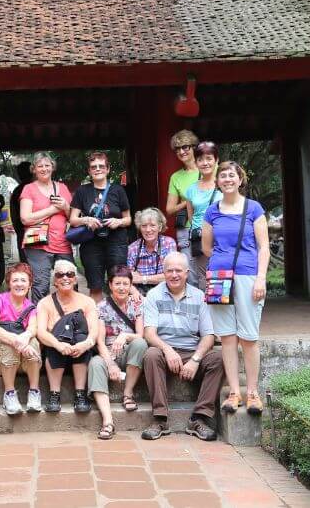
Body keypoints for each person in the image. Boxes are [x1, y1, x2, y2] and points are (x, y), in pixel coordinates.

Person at [203, 160, 270, 417]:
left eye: (232, 175)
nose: (227, 180)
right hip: (219, 275)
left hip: (248, 275)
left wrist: (261, 277)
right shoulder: (212, 211)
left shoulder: (253, 208)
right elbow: (207, 247)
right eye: (223, 176)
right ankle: (234, 391)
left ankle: (252, 392)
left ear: (240, 180)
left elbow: (264, 246)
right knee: (227, 337)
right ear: (217, 181)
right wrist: (223, 259)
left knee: (249, 337)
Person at [141, 252, 224, 442]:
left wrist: (195, 359)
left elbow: (208, 336)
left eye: (178, 270)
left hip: (191, 352)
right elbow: (149, 334)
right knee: (151, 355)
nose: (174, 275)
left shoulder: (199, 297)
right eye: (169, 270)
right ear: (163, 272)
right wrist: (167, 350)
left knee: (219, 359)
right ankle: (160, 419)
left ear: (187, 273)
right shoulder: (154, 295)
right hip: (164, 351)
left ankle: (199, 419)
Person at [89, 266, 147, 440]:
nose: (122, 287)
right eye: (117, 283)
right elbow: (99, 341)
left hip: (129, 351)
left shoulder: (137, 304)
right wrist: (110, 363)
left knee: (140, 343)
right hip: (108, 353)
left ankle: (128, 394)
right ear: (110, 285)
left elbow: (140, 334)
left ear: (131, 285)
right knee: (94, 364)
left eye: (125, 283)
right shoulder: (101, 306)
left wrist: (124, 335)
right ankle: (108, 421)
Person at [35, 260, 99, 413]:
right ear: (54, 281)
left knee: (81, 336)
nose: (65, 278)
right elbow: (41, 332)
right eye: (60, 275)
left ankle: (80, 394)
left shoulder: (88, 301)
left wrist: (85, 344)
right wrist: (58, 344)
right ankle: (54, 394)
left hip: (81, 352)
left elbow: (94, 330)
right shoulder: (45, 303)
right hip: (56, 353)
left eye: (69, 274)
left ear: (75, 279)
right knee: (54, 337)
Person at [68, 152, 131, 301]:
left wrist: (118, 222)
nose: (97, 169)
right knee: (95, 285)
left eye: (101, 166)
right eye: (93, 167)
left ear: (108, 169)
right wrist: (87, 220)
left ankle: (117, 320)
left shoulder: (118, 190)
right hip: (91, 244)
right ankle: (96, 321)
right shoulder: (82, 191)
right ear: (89, 171)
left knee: (118, 282)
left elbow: (128, 219)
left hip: (116, 242)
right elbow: (73, 220)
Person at [0, 263, 43, 415]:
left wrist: (25, 338)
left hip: (25, 361)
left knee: (34, 340)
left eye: (23, 280)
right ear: (9, 283)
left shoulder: (31, 307)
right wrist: (18, 342)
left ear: (29, 285)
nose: (19, 284)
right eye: (15, 280)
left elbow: (32, 329)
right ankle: (9, 394)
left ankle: (34, 392)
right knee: (8, 342)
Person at [19, 152, 74, 302]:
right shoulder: (29, 189)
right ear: (34, 169)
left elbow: (73, 218)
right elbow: (25, 218)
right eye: (40, 166)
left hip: (62, 242)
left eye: (47, 165)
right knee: (41, 284)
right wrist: (53, 209)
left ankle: (70, 319)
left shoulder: (62, 187)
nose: (44, 169)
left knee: (69, 281)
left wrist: (65, 207)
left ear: (52, 167)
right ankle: (39, 320)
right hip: (37, 244)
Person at [165, 130, 200, 285]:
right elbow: (170, 209)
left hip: (211, 226)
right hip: (187, 230)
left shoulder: (210, 168)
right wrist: (189, 200)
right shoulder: (176, 177)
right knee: (191, 275)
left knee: (214, 273)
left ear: (194, 147)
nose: (181, 151)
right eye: (177, 149)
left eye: (185, 147)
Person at [185, 141, 220, 287]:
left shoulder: (224, 184)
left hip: (221, 237)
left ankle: (225, 309)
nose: (205, 163)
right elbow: (191, 216)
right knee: (203, 278)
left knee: (222, 275)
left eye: (209, 158)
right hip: (200, 238)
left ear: (216, 160)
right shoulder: (191, 189)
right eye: (200, 159)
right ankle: (206, 310)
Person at [126, 207, 178, 295]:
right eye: (144, 226)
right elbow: (128, 279)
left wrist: (143, 279)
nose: (148, 230)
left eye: (152, 225)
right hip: (139, 294)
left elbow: (172, 276)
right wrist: (136, 295)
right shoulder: (132, 248)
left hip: (165, 292)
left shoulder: (169, 244)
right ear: (139, 227)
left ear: (160, 227)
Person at [8, 161, 33, 262]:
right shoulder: (37, 187)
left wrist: (18, 230)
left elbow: (13, 213)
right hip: (38, 230)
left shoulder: (18, 190)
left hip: (23, 230)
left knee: (26, 264)